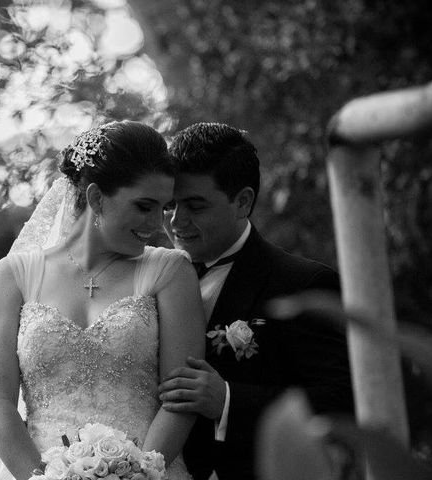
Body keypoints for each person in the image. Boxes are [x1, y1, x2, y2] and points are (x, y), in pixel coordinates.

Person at [0, 121, 205, 480]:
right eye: (144, 206)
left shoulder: (170, 272)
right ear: (97, 197)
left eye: (164, 207)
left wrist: (139, 473)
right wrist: (43, 479)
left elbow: (179, 399)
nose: (159, 224)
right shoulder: (13, 276)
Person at [159, 122, 354, 480]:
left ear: (243, 201)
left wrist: (228, 399)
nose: (176, 220)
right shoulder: (143, 276)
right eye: (169, 204)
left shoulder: (303, 284)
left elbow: (340, 401)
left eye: (194, 206)